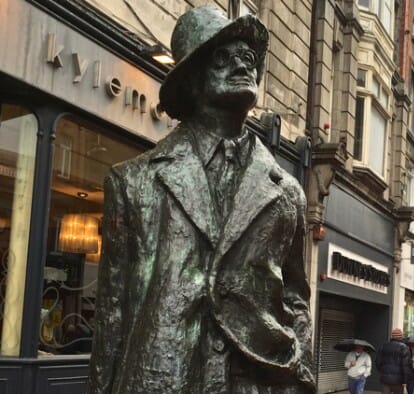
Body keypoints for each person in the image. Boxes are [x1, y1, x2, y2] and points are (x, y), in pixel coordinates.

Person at [86, 6, 314, 394]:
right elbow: (112, 313)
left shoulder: (287, 191)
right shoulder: (133, 181)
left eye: (248, 58)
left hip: (256, 381)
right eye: (222, 58)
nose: (242, 66)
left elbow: (296, 296)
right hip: (162, 376)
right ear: (191, 81)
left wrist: (296, 357)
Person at [376, 328, 412, 394]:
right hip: (398, 380)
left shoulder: (384, 346)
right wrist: (405, 381)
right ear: (401, 337)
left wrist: (383, 371)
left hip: (385, 379)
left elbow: (378, 362)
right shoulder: (404, 347)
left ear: (392, 336)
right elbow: (405, 366)